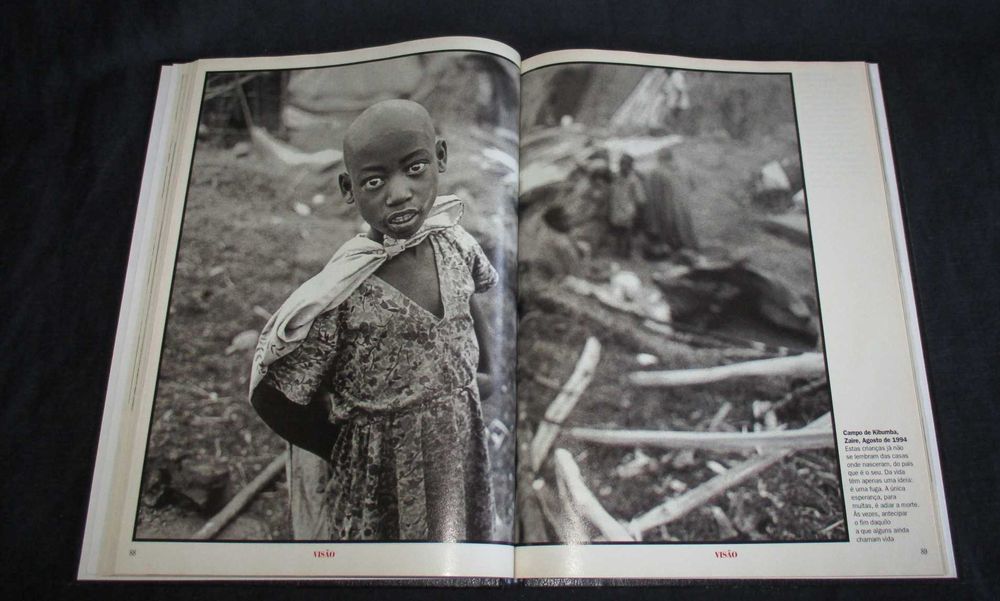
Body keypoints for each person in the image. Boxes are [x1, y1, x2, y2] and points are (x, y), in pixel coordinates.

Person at [249, 99, 498, 542]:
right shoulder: (343, 290)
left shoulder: (456, 243)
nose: (398, 193)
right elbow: (273, 397)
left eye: (415, 168)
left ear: (440, 158)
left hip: (459, 441)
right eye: (375, 180)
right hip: (380, 471)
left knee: (458, 542)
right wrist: (339, 448)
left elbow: (469, 297)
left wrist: (486, 371)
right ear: (350, 188)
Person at [640, 147, 698, 258]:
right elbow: (693, 186)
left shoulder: (658, 171)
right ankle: (689, 247)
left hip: (668, 204)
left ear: (660, 158)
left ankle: (677, 249)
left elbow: (654, 193)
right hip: (683, 202)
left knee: (671, 225)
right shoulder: (684, 167)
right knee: (685, 224)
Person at [608, 153, 647, 258]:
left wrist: (638, 214)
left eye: (625, 164)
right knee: (617, 232)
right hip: (616, 209)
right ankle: (618, 251)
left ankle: (626, 252)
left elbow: (640, 199)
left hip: (628, 211)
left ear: (630, 166)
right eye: (621, 164)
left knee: (627, 232)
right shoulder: (615, 177)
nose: (623, 167)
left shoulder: (634, 180)